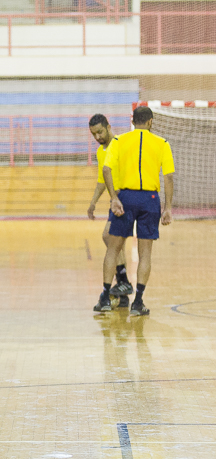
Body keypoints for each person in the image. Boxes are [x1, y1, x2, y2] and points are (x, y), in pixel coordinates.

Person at [98, 106, 174, 316]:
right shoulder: (162, 143)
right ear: (150, 122)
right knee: (145, 253)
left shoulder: (119, 141)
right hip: (150, 200)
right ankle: (138, 302)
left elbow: (106, 169)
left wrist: (114, 198)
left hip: (126, 197)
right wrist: (167, 207)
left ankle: (105, 298)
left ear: (133, 121)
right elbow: (168, 177)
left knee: (113, 249)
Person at [87, 114, 134, 311]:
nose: (97, 137)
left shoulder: (121, 144)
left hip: (126, 197)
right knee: (116, 243)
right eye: (93, 134)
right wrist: (93, 202)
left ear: (108, 127)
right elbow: (102, 180)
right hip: (115, 201)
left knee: (109, 236)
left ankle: (123, 281)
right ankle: (123, 294)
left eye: (100, 132)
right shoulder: (101, 151)